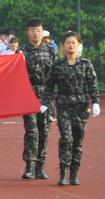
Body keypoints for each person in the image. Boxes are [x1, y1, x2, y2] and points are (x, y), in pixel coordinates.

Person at [42, 31, 100, 185]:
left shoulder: (86, 64)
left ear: (79, 45)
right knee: (66, 139)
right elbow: (48, 86)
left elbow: (92, 84)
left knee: (77, 142)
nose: (71, 45)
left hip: (81, 107)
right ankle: (64, 173)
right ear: (63, 46)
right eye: (68, 42)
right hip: (64, 107)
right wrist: (45, 103)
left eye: (74, 42)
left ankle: (74, 174)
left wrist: (95, 102)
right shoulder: (58, 65)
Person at [19, 18, 59, 180]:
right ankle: (29, 165)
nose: (36, 34)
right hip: (28, 95)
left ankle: (40, 167)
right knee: (31, 131)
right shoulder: (21, 53)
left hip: (46, 97)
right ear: (27, 33)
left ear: (43, 32)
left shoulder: (51, 51)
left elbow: (58, 73)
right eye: (33, 31)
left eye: (38, 31)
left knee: (44, 131)